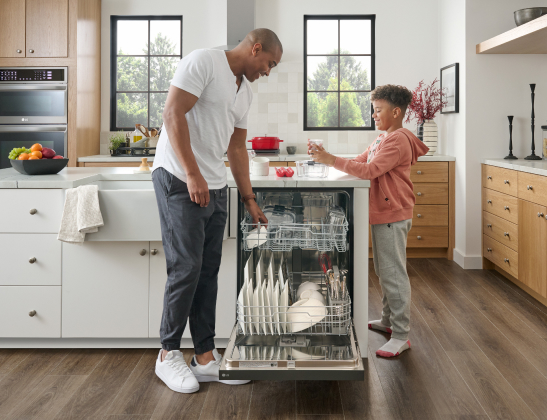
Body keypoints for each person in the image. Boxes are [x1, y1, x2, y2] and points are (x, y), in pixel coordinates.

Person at [151, 28, 282, 393]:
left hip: (215, 185)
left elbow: (237, 148)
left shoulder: (245, 91)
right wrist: (192, 174)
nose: (268, 71)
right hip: (179, 177)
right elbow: (172, 114)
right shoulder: (203, 61)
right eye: (269, 63)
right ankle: (168, 353)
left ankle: (205, 356)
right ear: (255, 48)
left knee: (208, 271)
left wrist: (249, 199)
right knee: (186, 268)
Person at [309, 84, 428, 358]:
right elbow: (360, 161)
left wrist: (330, 159)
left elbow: (370, 170)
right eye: (373, 110)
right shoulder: (382, 138)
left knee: (393, 273)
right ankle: (388, 321)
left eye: (378, 110)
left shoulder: (397, 140)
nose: (374, 115)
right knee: (385, 271)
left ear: (396, 112)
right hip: (385, 214)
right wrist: (329, 159)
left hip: (392, 214)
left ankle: (401, 335)